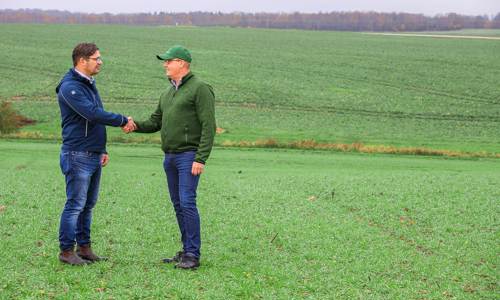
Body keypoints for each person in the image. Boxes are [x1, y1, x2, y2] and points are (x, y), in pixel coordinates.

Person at [123, 45, 216, 269]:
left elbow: (208, 126)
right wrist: (134, 125)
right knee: (178, 204)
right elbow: (155, 122)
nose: (165, 64)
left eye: (169, 60)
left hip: (189, 156)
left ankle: (192, 255)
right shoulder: (167, 93)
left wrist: (200, 158)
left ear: (182, 63)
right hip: (170, 157)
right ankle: (186, 250)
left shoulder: (200, 88)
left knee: (187, 202)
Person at [56, 42, 134, 265]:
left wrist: (102, 148)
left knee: (88, 205)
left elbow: (95, 119)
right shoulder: (70, 87)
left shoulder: (88, 84)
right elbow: (92, 114)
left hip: (92, 153)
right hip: (77, 153)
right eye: (96, 58)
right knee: (75, 204)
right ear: (82, 60)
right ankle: (66, 251)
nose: (100, 62)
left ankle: (85, 248)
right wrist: (122, 120)